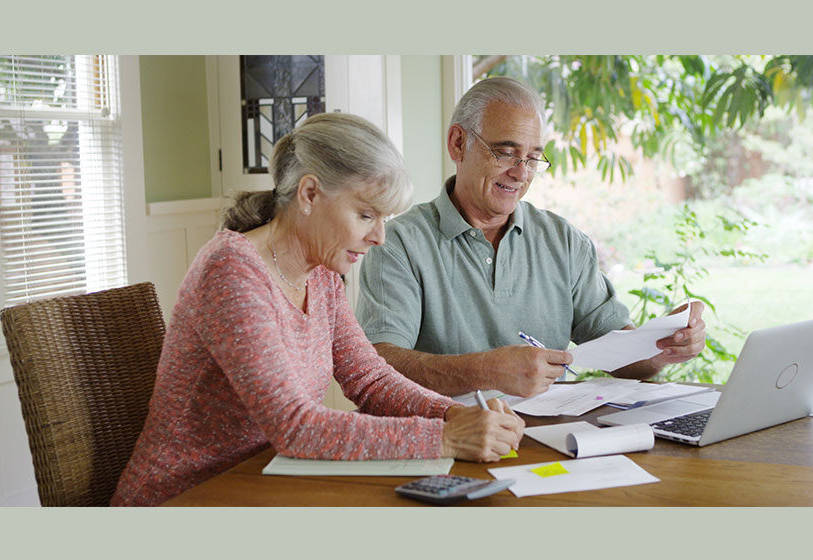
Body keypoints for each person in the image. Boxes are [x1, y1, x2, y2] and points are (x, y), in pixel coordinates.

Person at [111, 113, 524, 507]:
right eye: (366, 214)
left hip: (266, 483)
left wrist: (455, 412)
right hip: (186, 498)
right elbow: (295, 426)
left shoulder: (321, 273)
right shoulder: (231, 272)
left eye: (383, 218)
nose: (380, 236)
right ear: (309, 194)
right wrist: (446, 438)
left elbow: (369, 378)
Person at [355, 77, 707, 399]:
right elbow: (379, 365)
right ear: (458, 143)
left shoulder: (563, 241)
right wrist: (485, 371)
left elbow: (623, 357)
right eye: (506, 152)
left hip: (556, 439)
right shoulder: (397, 243)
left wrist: (662, 346)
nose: (521, 173)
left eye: (533, 158)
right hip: (451, 439)